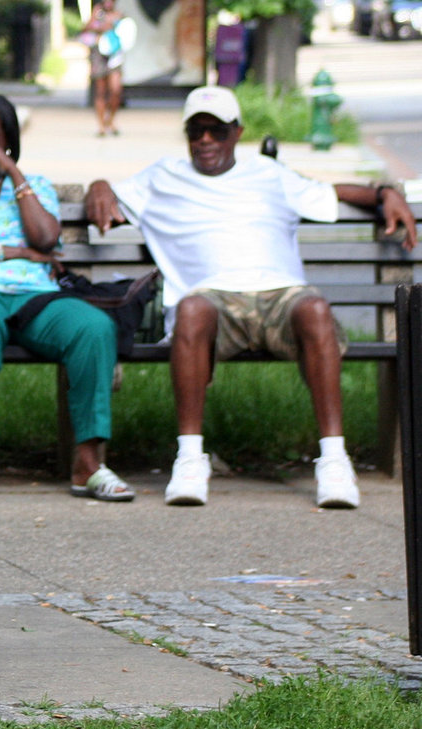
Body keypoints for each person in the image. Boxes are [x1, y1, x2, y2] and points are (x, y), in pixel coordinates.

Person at [85, 85, 416, 508]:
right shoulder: (160, 177)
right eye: (196, 131)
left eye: (217, 131)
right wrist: (98, 184)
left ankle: (334, 460)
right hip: (211, 304)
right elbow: (109, 195)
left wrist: (386, 193)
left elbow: (332, 193)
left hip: (280, 297)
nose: (206, 140)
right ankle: (189, 457)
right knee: (190, 308)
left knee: (314, 306)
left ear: (237, 132)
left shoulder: (269, 173)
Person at [0, 94, 131, 509]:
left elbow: (45, 239)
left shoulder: (32, 186)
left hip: (33, 298)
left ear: (7, 138)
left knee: (93, 327)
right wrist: (14, 253)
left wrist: (12, 170)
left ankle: (88, 463)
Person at [82, 0, 128, 137]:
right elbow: (85, 29)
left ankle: (111, 120)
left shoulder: (119, 15)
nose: (107, 3)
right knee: (100, 91)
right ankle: (101, 125)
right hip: (99, 55)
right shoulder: (97, 13)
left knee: (115, 90)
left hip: (115, 56)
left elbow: (127, 32)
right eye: (104, 0)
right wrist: (97, 22)